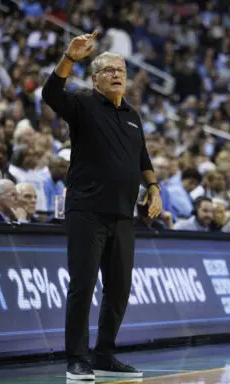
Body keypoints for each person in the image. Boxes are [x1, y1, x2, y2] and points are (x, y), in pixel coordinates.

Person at [41, 31, 162, 381]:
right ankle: (76, 358)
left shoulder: (133, 115)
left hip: (123, 214)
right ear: (95, 79)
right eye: (108, 69)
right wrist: (69, 56)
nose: (116, 74)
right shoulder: (81, 104)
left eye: (120, 69)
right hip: (87, 210)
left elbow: (142, 156)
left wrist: (153, 187)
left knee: (119, 288)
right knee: (83, 285)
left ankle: (104, 354)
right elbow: (51, 93)